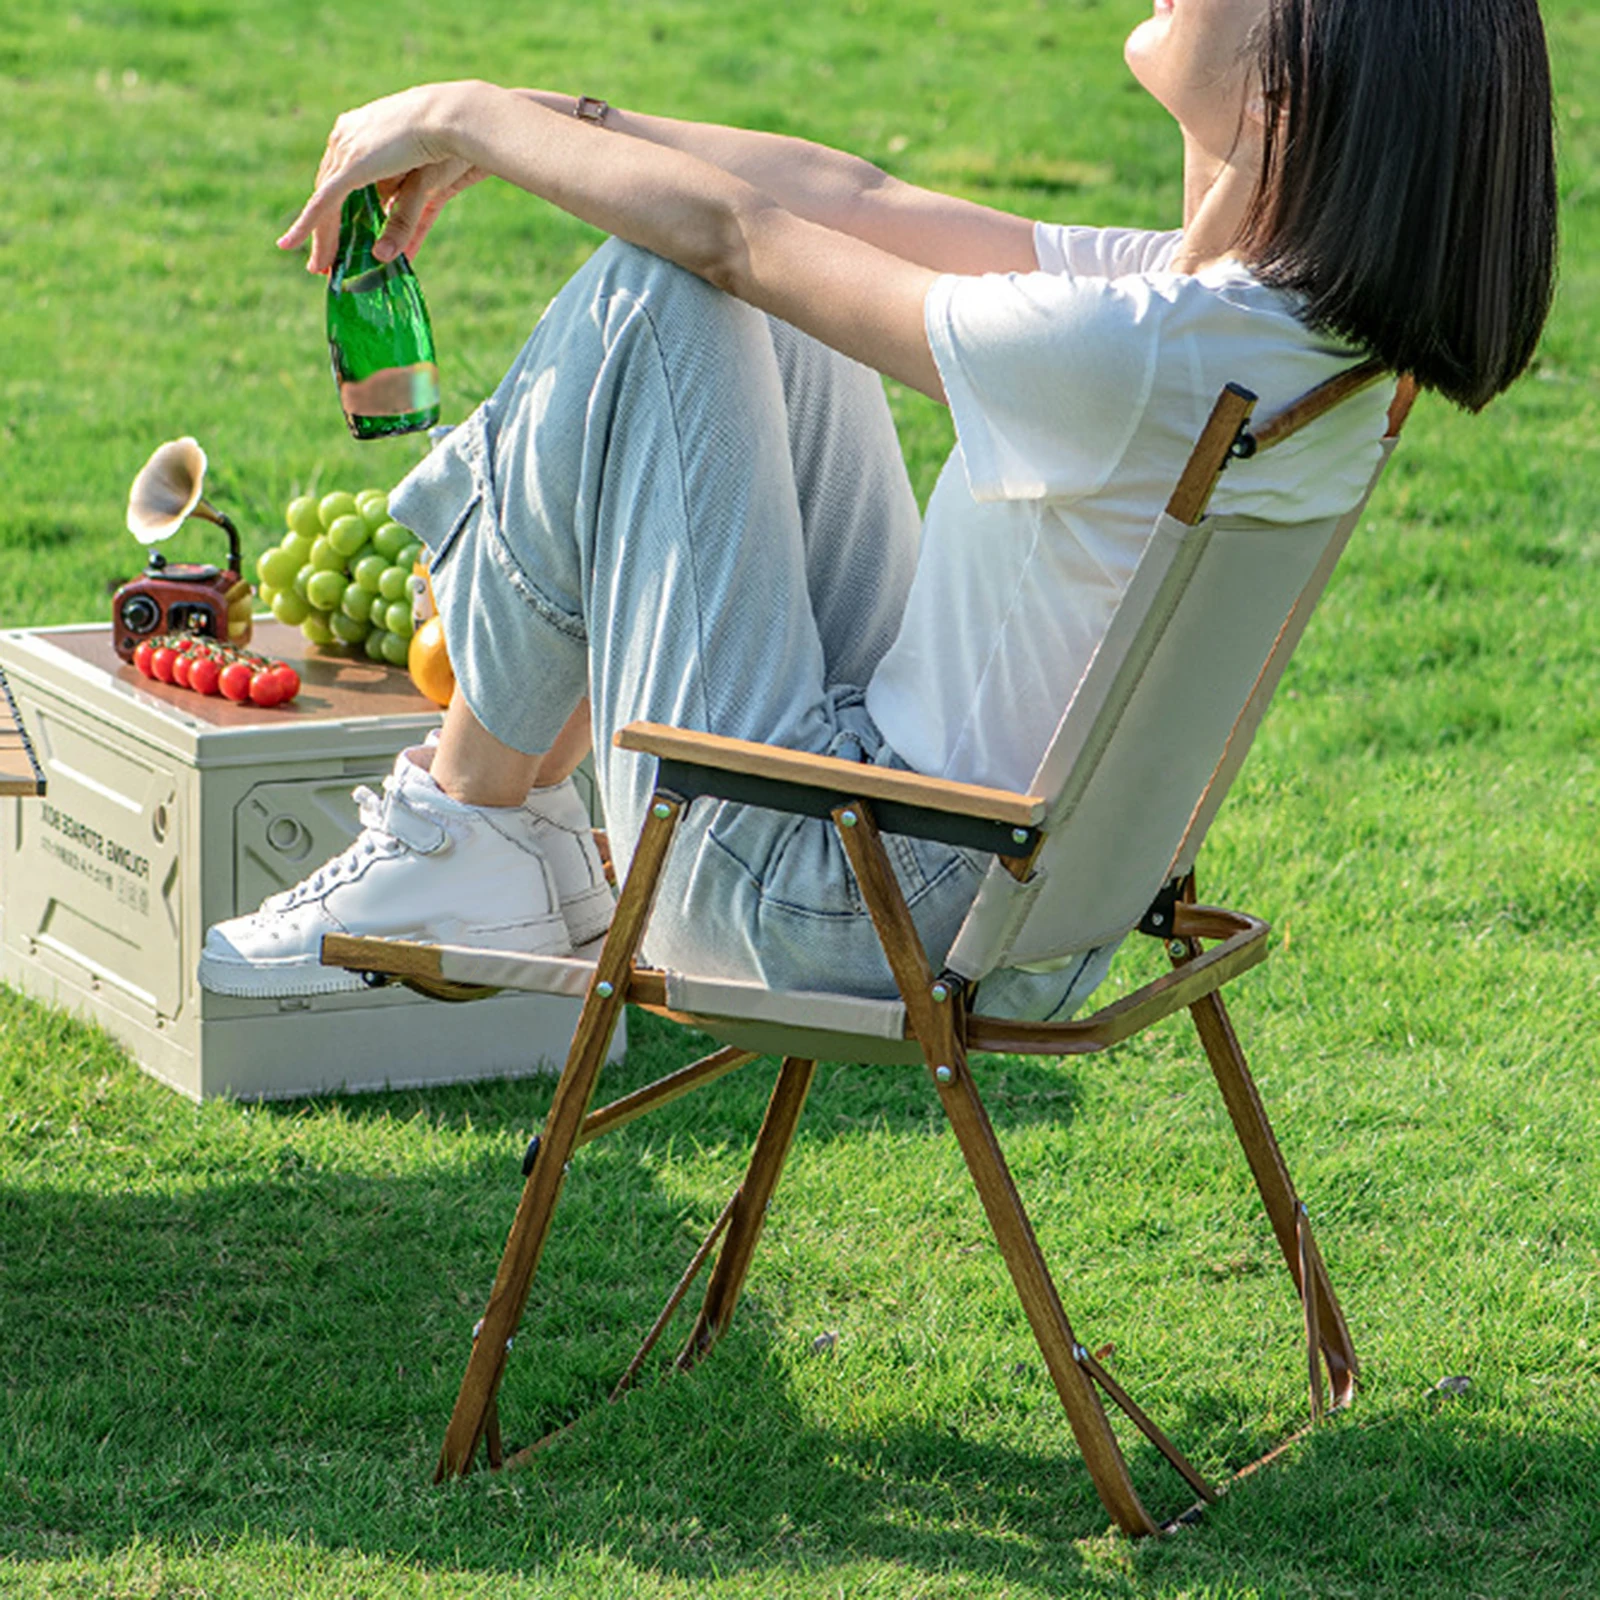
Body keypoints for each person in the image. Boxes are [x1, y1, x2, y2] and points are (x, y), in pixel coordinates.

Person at [199, 0, 1557, 1015]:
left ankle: (471, 818)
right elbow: (852, 199)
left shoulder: (1144, 352)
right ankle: (500, 831)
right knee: (753, 289)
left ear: (1283, 98)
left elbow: (735, 234)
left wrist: (465, 115)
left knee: (666, 284)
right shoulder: (1253, 341)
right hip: (1010, 906)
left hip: (847, 911)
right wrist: (533, 110)